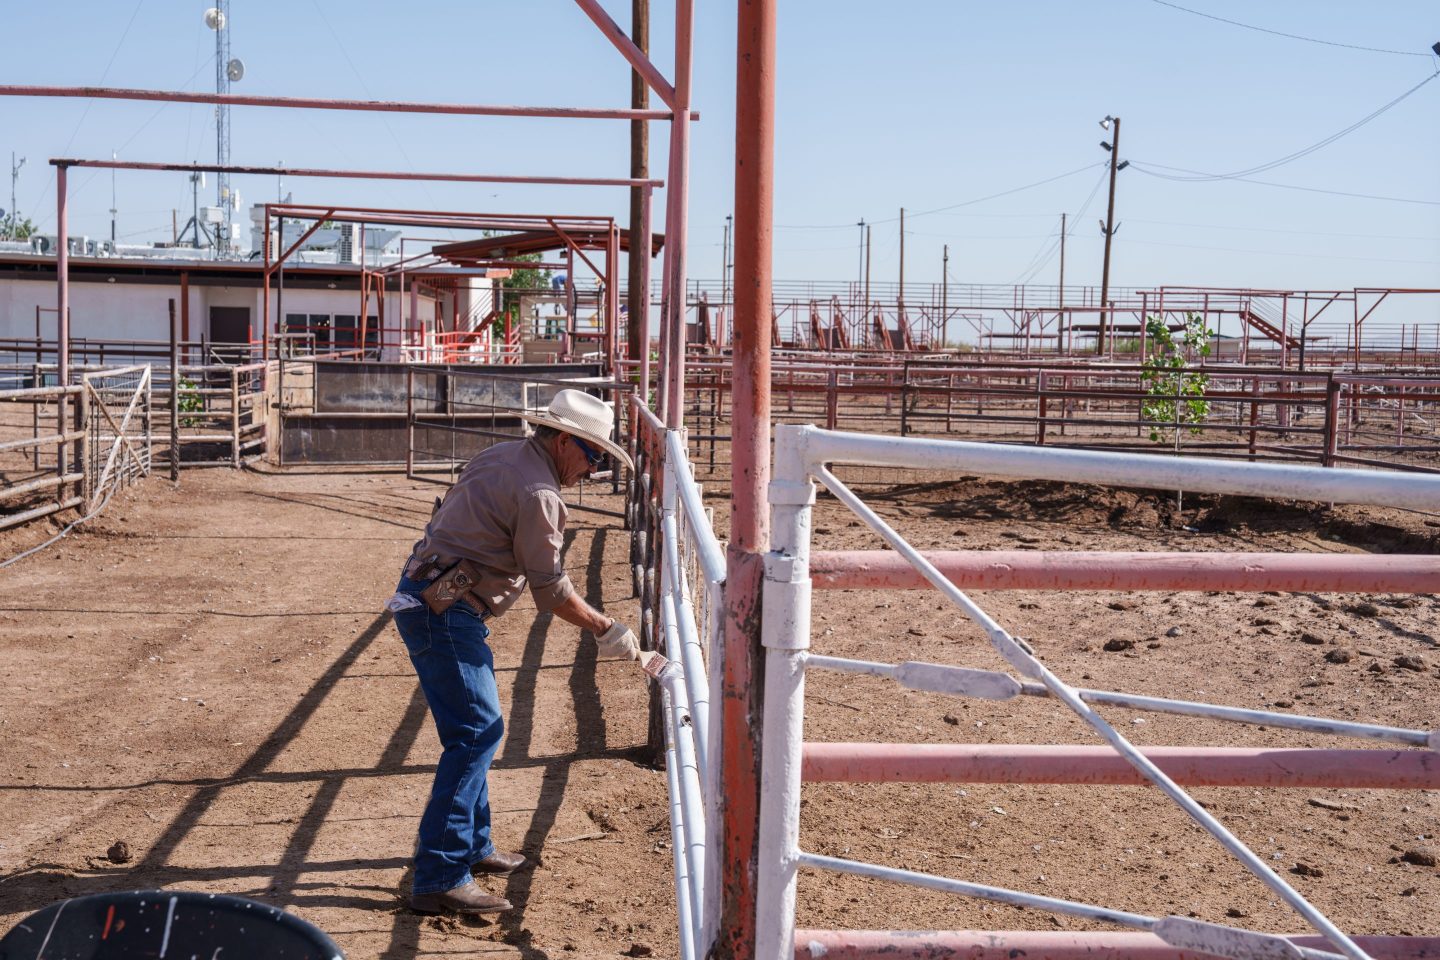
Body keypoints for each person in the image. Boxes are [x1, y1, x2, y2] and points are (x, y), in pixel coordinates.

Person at [388, 389, 640, 915]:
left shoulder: (500, 456)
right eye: (592, 455)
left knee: (474, 729)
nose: (591, 470)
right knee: (477, 732)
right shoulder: (540, 493)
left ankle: (471, 845)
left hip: (431, 596)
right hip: (447, 610)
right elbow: (550, 589)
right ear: (565, 440)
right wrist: (603, 627)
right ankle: (440, 873)